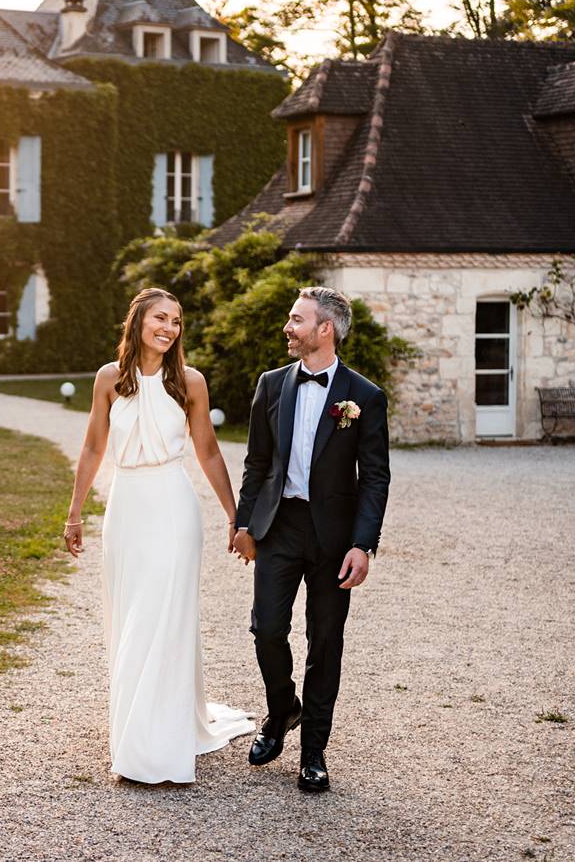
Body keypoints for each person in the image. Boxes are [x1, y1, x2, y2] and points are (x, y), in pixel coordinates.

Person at [64, 287, 255, 783]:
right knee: (131, 617)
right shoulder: (109, 378)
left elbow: (209, 452)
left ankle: (156, 744)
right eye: (160, 318)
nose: (169, 328)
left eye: (176, 321)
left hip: (172, 507)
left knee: (164, 618)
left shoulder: (190, 382)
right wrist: (75, 513)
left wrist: (235, 516)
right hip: (126, 508)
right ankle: (135, 725)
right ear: (138, 321)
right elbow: (91, 447)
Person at [231, 286, 390, 793]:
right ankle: (282, 710)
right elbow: (257, 463)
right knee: (267, 629)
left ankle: (314, 752)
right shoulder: (271, 385)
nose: (288, 327)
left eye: (297, 319)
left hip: (334, 538)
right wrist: (243, 523)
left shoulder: (364, 397)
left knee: (325, 642)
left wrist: (362, 545)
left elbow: (375, 478)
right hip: (279, 526)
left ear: (325, 329)